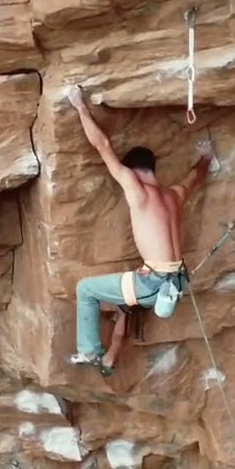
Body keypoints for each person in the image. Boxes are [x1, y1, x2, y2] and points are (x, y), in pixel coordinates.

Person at [64, 84, 216, 376]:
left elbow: (103, 146)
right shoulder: (175, 195)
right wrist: (206, 156)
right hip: (173, 284)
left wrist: (80, 106)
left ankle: (90, 351)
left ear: (132, 171)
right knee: (125, 296)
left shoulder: (136, 189)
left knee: (86, 289)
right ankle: (111, 356)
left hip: (152, 285)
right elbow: (195, 176)